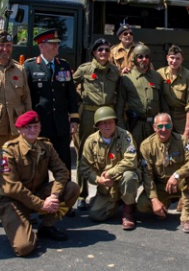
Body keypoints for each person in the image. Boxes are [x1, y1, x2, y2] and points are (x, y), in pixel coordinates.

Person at [0, 111, 80, 257]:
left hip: (37, 194)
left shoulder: (45, 146)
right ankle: (19, 224)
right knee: (24, 248)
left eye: (35, 126)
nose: (32, 130)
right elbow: (12, 187)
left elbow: (62, 172)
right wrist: (41, 204)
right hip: (12, 201)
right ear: (20, 130)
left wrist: (54, 195)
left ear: (40, 127)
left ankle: (46, 226)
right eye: (28, 127)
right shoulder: (9, 151)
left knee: (72, 188)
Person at [0, 30, 32, 232]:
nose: (5, 49)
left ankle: (5, 208)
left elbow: (26, 99)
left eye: (9, 46)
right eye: (1, 45)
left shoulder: (18, 70)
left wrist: (28, 125)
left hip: (14, 131)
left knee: (11, 172)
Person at [24, 29, 79, 176]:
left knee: (63, 165)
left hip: (61, 125)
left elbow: (71, 94)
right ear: (42, 46)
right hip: (40, 126)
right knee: (39, 167)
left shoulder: (64, 66)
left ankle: (64, 196)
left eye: (57, 44)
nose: (57, 47)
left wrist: (74, 119)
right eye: (52, 44)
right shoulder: (30, 66)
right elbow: (26, 96)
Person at [73, 38, 120, 211]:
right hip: (89, 115)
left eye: (107, 50)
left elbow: (120, 93)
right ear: (94, 52)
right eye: (100, 49)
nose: (103, 53)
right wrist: (78, 106)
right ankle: (81, 194)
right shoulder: (84, 69)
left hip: (108, 114)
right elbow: (70, 87)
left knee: (110, 152)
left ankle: (106, 192)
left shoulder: (115, 71)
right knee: (84, 154)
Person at [137, 113, 189, 233]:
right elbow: (147, 175)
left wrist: (177, 175)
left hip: (179, 182)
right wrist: (154, 199)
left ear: (172, 126)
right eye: (160, 126)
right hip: (161, 185)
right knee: (142, 205)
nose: (164, 130)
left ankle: (186, 217)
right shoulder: (146, 146)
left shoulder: (182, 140)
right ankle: (163, 203)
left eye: (167, 126)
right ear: (154, 127)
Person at [79, 106, 139, 229]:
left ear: (115, 122)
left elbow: (131, 160)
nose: (107, 125)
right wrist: (98, 180)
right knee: (96, 215)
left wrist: (111, 173)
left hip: (122, 178)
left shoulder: (125, 136)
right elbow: (84, 167)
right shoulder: (91, 141)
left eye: (110, 122)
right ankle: (116, 202)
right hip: (106, 185)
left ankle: (128, 209)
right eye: (104, 123)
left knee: (130, 176)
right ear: (98, 125)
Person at [117, 44, 169, 149]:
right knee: (134, 151)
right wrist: (121, 127)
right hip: (135, 124)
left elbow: (163, 102)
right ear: (134, 59)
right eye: (140, 56)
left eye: (147, 56)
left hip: (154, 124)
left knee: (155, 151)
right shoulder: (127, 78)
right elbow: (120, 105)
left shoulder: (157, 77)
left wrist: (167, 122)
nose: (144, 59)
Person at [157, 45, 189, 142]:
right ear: (167, 58)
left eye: (178, 58)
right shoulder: (159, 73)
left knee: (185, 143)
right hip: (165, 115)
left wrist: (187, 129)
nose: (174, 61)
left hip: (182, 117)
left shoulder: (188, 76)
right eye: (172, 58)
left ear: (182, 60)